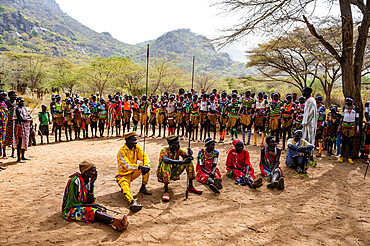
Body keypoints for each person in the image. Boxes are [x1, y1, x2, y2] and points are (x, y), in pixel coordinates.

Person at [62, 161, 129, 231]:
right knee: (91, 211)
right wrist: (91, 205)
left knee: (101, 209)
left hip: (82, 204)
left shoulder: (89, 180)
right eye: (93, 171)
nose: (96, 173)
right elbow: (71, 203)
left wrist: (92, 184)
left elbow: (90, 200)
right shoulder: (75, 182)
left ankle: (117, 222)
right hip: (71, 210)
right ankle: (116, 223)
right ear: (86, 172)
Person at [157, 135, 202, 202]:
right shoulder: (164, 150)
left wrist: (189, 155)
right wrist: (182, 162)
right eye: (176, 143)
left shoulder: (178, 150)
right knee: (166, 163)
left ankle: (190, 186)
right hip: (163, 173)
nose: (178, 145)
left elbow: (188, 157)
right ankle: (166, 190)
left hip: (174, 172)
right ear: (170, 144)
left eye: (178, 143)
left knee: (188, 162)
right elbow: (165, 160)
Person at [116, 132, 152, 212]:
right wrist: (139, 167)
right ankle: (132, 202)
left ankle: (143, 187)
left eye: (136, 141)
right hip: (123, 175)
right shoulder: (122, 151)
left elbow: (145, 157)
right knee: (125, 187)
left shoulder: (137, 148)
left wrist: (146, 166)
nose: (135, 143)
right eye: (133, 141)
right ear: (127, 141)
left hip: (133, 172)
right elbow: (128, 165)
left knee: (146, 167)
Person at [338, 97, 359, 164]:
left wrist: (357, 129)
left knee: (350, 143)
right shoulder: (344, 108)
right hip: (344, 126)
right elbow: (342, 118)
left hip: (352, 127)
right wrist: (339, 128)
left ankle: (350, 157)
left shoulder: (356, 108)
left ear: (352, 102)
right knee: (343, 142)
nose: (347, 104)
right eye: (347, 103)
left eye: (349, 102)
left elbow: (357, 119)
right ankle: (341, 156)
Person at [13, 98, 32, 162]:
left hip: (26, 127)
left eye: (24, 102)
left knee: (25, 141)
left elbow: (29, 116)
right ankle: (19, 158)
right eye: (22, 102)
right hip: (20, 127)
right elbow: (21, 118)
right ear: (18, 102)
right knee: (19, 142)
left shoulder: (24, 109)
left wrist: (27, 119)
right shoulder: (17, 109)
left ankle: (23, 156)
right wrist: (27, 119)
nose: (23, 103)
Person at [3, 91, 17, 158]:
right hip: (6, 122)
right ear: (10, 96)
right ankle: (4, 153)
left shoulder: (16, 103)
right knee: (5, 137)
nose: (15, 96)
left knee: (13, 137)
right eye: (14, 95)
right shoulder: (6, 102)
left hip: (13, 122)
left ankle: (12, 153)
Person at [0, 90, 8, 157]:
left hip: (3, 126)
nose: (5, 97)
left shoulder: (3, 103)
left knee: (1, 142)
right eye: (3, 95)